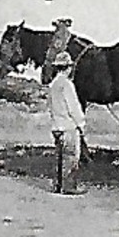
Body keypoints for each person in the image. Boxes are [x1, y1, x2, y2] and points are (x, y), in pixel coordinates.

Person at [47, 50, 86, 195]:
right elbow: (73, 107)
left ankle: (57, 185)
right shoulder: (67, 85)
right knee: (71, 157)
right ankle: (69, 186)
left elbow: (50, 107)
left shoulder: (53, 85)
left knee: (59, 157)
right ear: (68, 68)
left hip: (56, 126)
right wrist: (81, 123)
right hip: (68, 126)